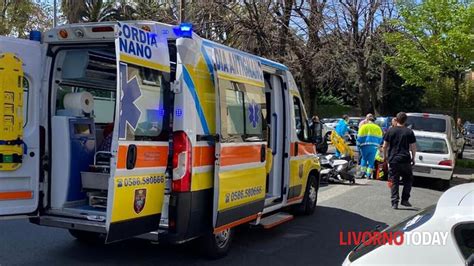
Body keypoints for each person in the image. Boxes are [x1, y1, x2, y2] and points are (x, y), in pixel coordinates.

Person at [383, 112, 417, 209]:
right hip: (405, 159)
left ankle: (395, 202)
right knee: (408, 180)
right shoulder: (409, 132)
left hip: (393, 159)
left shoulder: (390, 131)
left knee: (394, 181)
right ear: (405, 121)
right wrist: (413, 157)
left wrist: (385, 157)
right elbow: (413, 147)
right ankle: (405, 199)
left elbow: (385, 146)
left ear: (396, 120)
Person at [357, 114, 383, 179]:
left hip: (364, 146)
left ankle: (363, 173)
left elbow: (359, 137)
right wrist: (378, 145)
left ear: (368, 120)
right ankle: (368, 175)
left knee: (364, 159)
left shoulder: (363, 127)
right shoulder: (378, 128)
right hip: (374, 146)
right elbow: (380, 138)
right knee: (371, 161)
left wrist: (358, 146)